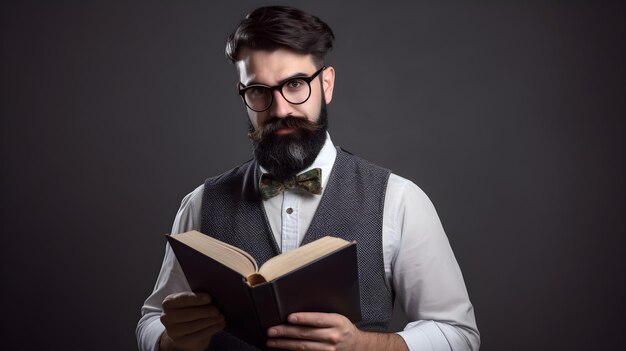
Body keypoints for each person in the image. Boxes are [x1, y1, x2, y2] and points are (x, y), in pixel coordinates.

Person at [137, 5, 479, 351]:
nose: (280, 109)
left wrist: (364, 346)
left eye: (296, 84)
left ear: (326, 84)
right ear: (242, 94)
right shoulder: (200, 204)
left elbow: (459, 335)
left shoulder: (400, 200)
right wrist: (170, 340)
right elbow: (151, 321)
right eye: (258, 90)